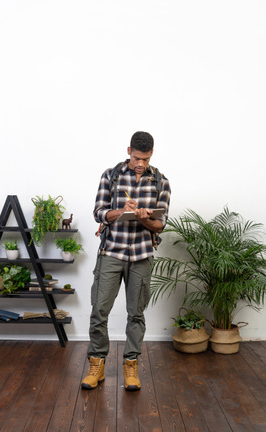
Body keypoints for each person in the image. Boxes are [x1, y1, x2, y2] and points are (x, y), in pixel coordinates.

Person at [81, 131, 171, 391]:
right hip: (112, 252)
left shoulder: (161, 182)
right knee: (99, 310)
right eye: (135, 157)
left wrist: (144, 218)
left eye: (144, 158)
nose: (140, 163)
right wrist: (122, 211)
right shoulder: (110, 175)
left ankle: (131, 365)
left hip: (142, 255)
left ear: (151, 153)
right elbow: (99, 212)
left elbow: (160, 224)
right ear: (128, 150)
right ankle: (96, 364)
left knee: (136, 314)